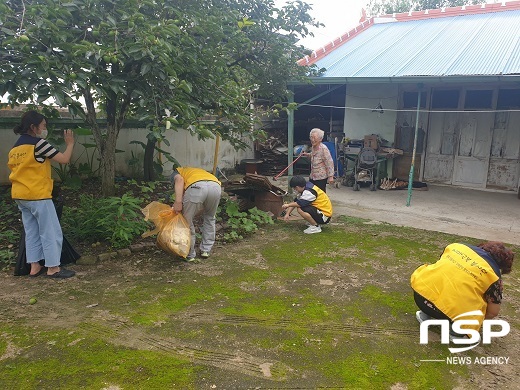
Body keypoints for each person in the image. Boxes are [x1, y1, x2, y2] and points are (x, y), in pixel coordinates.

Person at [7, 110, 76, 278]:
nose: (45, 129)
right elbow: (64, 159)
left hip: (20, 195)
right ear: (34, 127)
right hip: (38, 195)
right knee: (50, 231)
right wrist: (70, 144)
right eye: (43, 125)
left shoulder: (15, 148)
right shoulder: (39, 144)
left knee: (32, 231)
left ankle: (34, 266)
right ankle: (53, 268)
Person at [411, 241, 514, 338]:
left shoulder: (455, 247)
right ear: (502, 266)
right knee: (470, 302)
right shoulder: (493, 276)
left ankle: (425, 314)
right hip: (449, 314)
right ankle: (455, 332)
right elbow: (493, 312)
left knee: (440, 284)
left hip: (420, 297)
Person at [170, 167, 222, 261]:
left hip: (196, 188)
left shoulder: (177, 172)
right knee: (210, 217)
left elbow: (180, 180)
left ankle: (190, 254)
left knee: (186, 222)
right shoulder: (196, 172)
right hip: (215, 187)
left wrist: (178, 202)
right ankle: (206, 250)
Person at [306, 128, 335, 193]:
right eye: (311, 137)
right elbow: (315, 155)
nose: (312, 140)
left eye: (314, 138)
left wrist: (331, 176)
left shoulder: (324, 149)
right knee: (311, 193)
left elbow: (329, 162)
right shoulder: (314, 147)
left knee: (320, 194)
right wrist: (308, 154)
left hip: (320, 177)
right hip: (313, 175)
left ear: (320, 139)